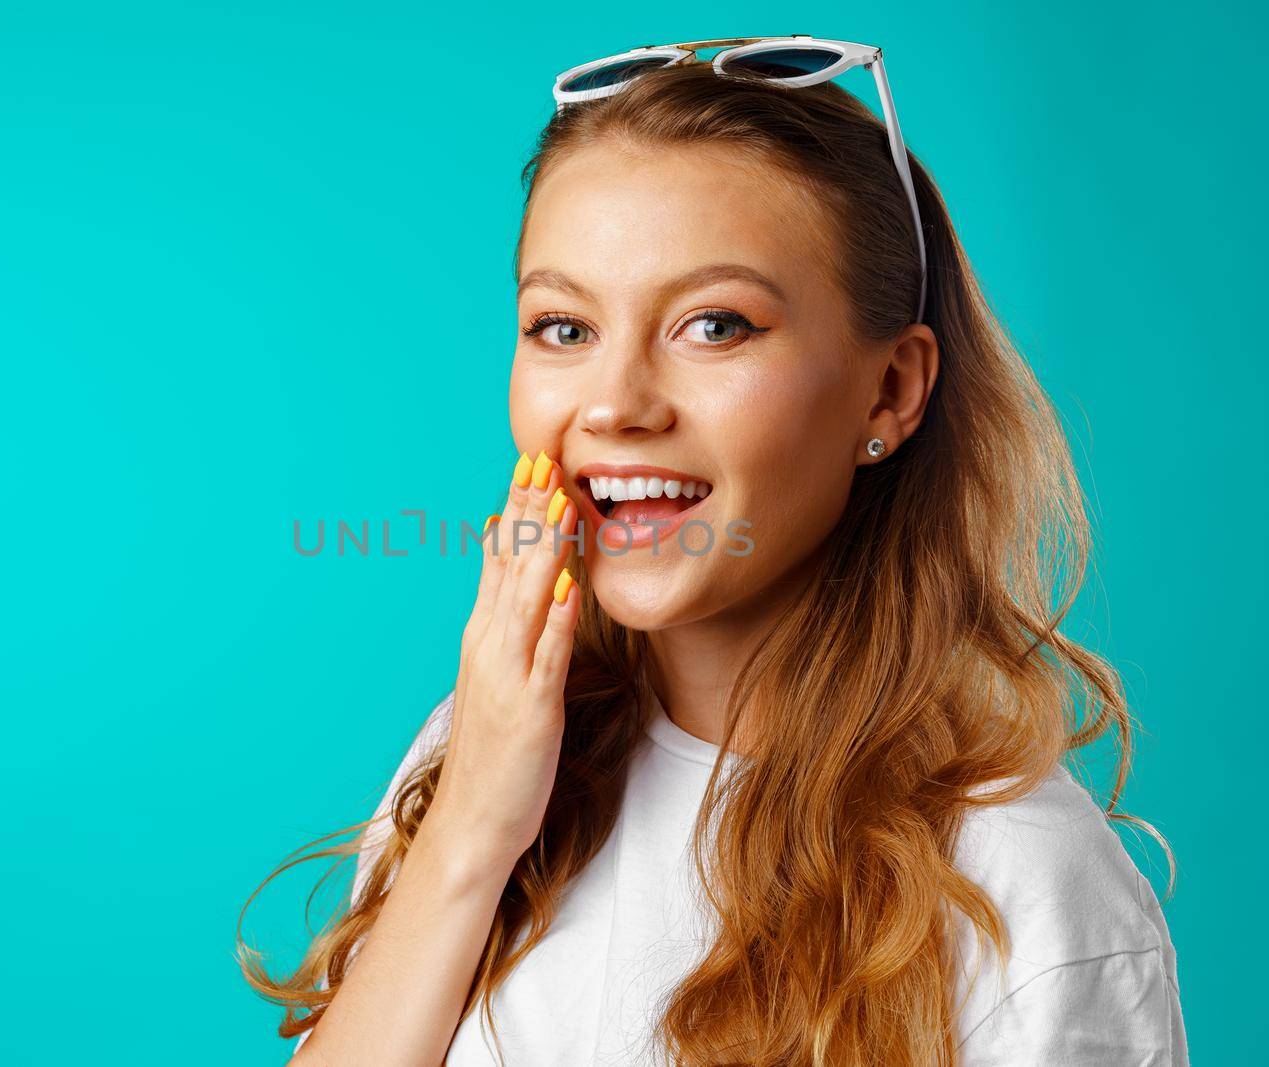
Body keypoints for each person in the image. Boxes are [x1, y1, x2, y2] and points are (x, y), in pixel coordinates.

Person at [240, 38, 1187, 1066]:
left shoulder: (1023, 887)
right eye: (561, 328)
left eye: (713, 324)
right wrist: (471, 825)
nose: (613, 405)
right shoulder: (469, 758)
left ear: (890, 392)